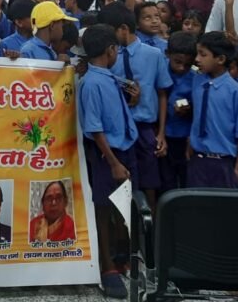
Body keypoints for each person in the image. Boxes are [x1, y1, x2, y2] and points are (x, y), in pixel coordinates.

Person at [76, 23, 138, 299]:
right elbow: (95, 127)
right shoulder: (91, 83)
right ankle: (107, 267)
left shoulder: (110, 78)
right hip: (106, 155)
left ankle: (121, 255)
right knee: (103, 210)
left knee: (121, 208)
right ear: (111, 50)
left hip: (124, 150)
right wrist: (113, 162)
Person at [100, 2, 171, 206]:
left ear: (123, 29)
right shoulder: (109, 57)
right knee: (122, 183)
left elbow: (162, 94)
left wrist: (161, 133)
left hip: (145, 128)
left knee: (150, 182)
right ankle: (125, 224)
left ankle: (149, 223)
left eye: (110, 32)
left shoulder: (154, 55)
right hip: (119, 129)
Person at [187, 31, 238, 188]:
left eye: (203, 55)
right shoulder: (197, 80)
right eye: (197, 53)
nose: (197, 59)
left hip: (224, 161)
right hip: (198, 159)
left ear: (221, 59)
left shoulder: (237, 92)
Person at [160, 32, 196, 191]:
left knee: (186, 178)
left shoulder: (195, 78)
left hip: (185, 138)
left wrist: (189, 109)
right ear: (168, 54)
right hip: (162, 135)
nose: (182, 68)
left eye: (187, 64)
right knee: (166, 180)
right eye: (178, 62)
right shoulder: (160, 72)